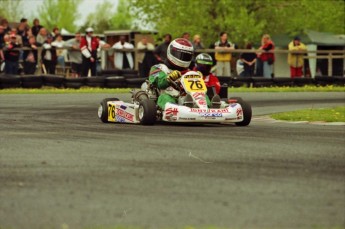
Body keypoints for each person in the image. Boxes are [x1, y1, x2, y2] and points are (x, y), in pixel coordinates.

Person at [149, 38, 220, 110]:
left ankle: (206, 108)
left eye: (186, 56)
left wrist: (197, 78)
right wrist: (169, 78)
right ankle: (174, 110)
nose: (183, 58)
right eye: (180, 55)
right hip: (169, 95)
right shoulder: (159, 68)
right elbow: (159, 83)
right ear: (171, 52)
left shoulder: (188, 71)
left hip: (187, 97)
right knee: (165, 98)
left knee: (202, 95)